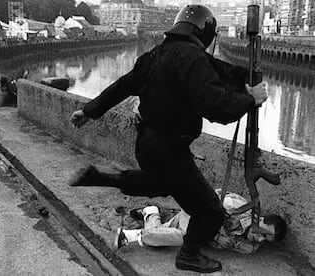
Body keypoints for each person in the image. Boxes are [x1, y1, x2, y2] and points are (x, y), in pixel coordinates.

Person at [69, 4, 268, 273]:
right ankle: (189, 255)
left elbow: (122, 86)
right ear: (206, 33)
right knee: (209, 211)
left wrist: (89, 111)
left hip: (147, 145)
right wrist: (249, 99)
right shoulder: (192, 58)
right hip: (170, 151)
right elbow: (217, 107)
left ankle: (101, 177)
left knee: (161, 184)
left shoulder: (156, 55)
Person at [111, 189, 287, 256]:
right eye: (264, 233)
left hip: (190, 225)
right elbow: (204, 204)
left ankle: (150, 212)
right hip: (194, 211)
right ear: (261, 219)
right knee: (189, 235)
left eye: (266, 241)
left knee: (157, 240)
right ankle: (129, 235)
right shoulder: (236, 206)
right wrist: (217, 237)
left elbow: (244, 246)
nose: (260, 239)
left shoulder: (249, 244)